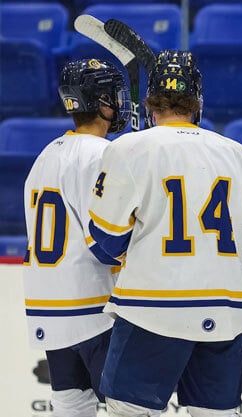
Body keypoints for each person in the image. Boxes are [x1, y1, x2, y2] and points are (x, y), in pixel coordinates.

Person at [87, 50, 242, 417]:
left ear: (150, 102)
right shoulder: (237, 153)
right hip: (222, 312)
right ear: (197, 101)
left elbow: (104, 243)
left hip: (149, 311)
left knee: (129, 411)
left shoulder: (127, 149)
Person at [22, 58, 130, 417]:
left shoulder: (45, 155)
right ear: (101, 100)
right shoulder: (101, 153)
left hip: (48, 306)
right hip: (93, 306)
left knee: (70, 403)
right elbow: (105, 240)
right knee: (125, 406)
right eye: (114, 94)